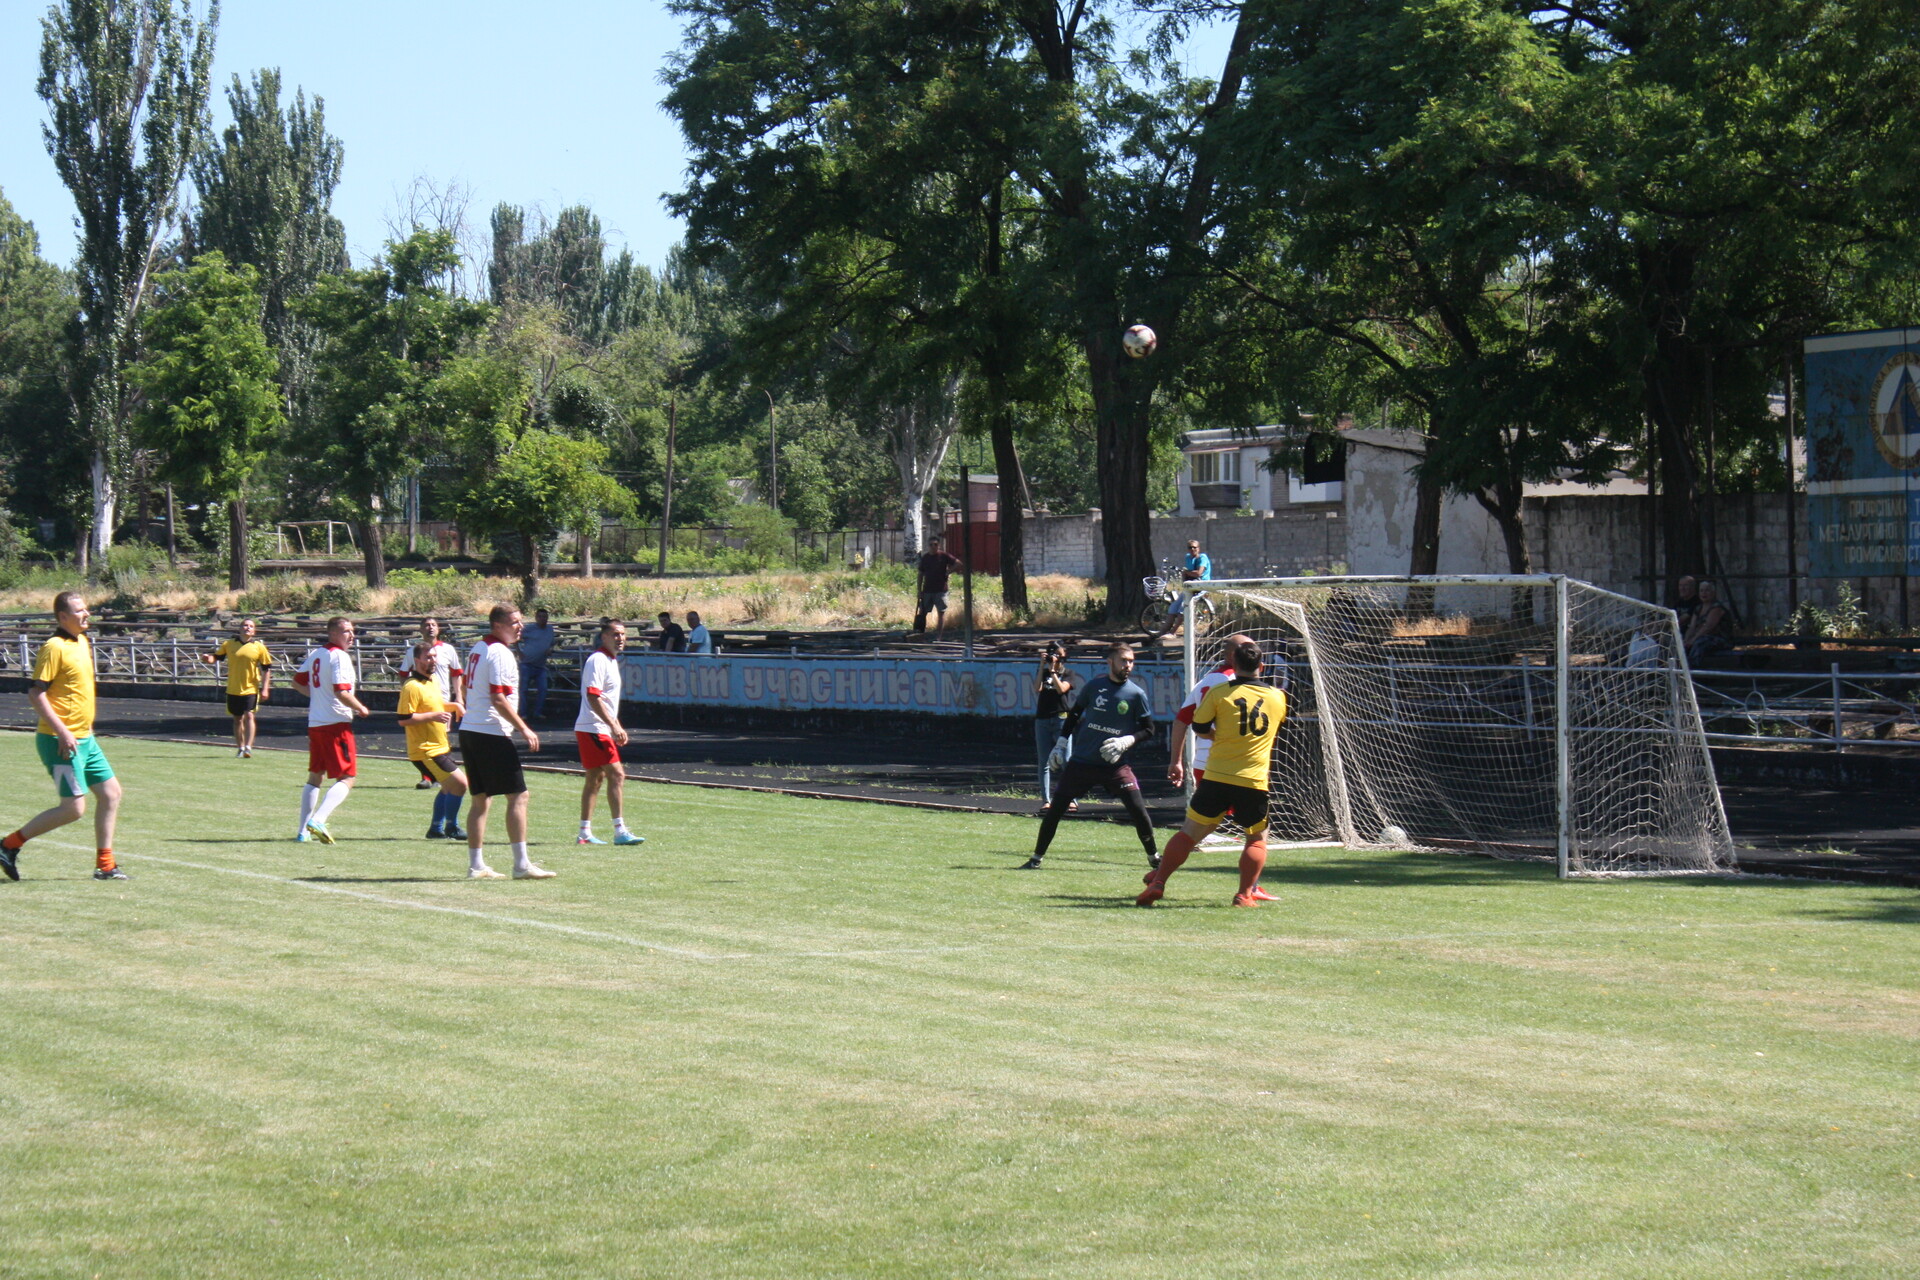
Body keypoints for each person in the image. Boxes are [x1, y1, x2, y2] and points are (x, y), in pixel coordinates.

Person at [1139, 639, 1287, 908]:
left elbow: (1199, 725)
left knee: (1188, 833)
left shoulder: (1218, 692)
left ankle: (1159, 881)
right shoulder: (1278, 698)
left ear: (1235, 664)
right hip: (1252, 779)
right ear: (1262, 667)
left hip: (1216, 776)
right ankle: (1244, 895)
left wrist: (1215, 735)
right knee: (1256, 836)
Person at [0, 591, 125, 882]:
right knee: (73, 809)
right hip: (59, 743)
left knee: (111, 794)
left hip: (85, 741)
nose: (87, 614)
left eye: (87, 609)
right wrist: (62, 732)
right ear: (62, 617)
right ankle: (8, 845)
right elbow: (35, 692)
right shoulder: (53, 647)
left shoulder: (83, 641)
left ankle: (105, 866)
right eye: (80, 610)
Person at [1022, 641, 1159, 871]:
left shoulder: (1136, 694)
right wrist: (1061, 743)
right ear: (1110, 662)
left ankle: (1155, 859)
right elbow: (1074, 714)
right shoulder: (1095, 686)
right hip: (1082, 762)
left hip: (1115, 764)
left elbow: (1149, 729)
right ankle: (1036, 858)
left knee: (1139, 810)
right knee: (1055, 810)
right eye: (1124, 660)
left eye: (1131, 661)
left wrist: (1128, 740)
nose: (1128, 665)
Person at [462, 604, 553, 880]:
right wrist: (524, 728)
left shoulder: (478, 648)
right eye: (514, 622)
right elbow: (498, 698)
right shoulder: (499, 652)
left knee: (480, 800)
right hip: (491, 731)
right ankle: (521, 864)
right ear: (498, 625)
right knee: (518, 795)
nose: (520, 626)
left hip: (470, 730)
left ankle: (476, 866)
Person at [291, 616, 370, 844]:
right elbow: (342, 692)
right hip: (335, 723)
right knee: (348, 777)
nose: (351, 635)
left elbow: (296, 682)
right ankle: (318, 819)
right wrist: (361, 707)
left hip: (316, 723)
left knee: (315, 776)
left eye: (352, 630)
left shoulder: (317, 654)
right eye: (346, 631)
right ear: (333, 634)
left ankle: (302, 832)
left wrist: (316, 696)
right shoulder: (339, 656)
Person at [575, 619, 645, 847]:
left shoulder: (610, 660)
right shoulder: (598, 660)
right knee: (617, 775)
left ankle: (584, 832)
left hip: (596, 727)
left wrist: (614, 724)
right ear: (603, 636)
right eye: (615, 634)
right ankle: (619, 830)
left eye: (623, 634)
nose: (620, 638)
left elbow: (603, 698)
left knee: (595, 779)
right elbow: (593, 696)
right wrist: (613, 726)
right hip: (594, 728)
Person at [396, 643, 470, 842]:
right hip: (425, 750)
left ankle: (436, 829)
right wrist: (433, 716)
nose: (433, 660)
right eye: (428, 657)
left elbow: (433, 706)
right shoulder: (411, 686)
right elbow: (404, 718)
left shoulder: (432, 681)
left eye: (434, 656)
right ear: (417, 660)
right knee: (461, 784)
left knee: (448, 787)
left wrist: (453, 705)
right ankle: (452, 827)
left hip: (440, 746)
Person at [1167, 631, 1255, 790]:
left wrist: (1176, 761)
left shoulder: (1207, 680)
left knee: (1206, 814)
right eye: (1250, 649)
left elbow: (1181, 720)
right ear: (1235, 655)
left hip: (1204, 762)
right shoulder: (1235, 682)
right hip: (1231, 762)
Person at [202, 617, 273, 758]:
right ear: (240, 629)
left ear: (254, 631)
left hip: (250, 688)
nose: (247, 628)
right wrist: (207, 659)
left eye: (251, 626)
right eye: (245, 625)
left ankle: (248, 747)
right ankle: (240, 747)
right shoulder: (229, 644)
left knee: (249, 715)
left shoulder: (259, 647)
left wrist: (265, 688)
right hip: (233, 688)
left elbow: (267, 669)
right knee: (237, 719)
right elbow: (216, 658)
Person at [411, 617, 465, 788]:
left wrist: (459, 697)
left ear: (439, 629)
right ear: (420, 629)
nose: (430, 628)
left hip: (442, 700)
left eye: (433, 625)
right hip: (422, 700)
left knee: (442, 736)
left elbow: (457, 673)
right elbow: (404, 672)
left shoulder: (448, 650)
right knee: (424, 737)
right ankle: (428, 777)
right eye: (426, 625)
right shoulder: (414, 651)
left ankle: (442, 774)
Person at [1032, 641, 1078, 814]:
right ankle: (1046, 800)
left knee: (1066, 760)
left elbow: (1061, 690)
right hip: (1042, 719)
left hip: (1062, 719)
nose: (1054, 658)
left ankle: (1072, 799)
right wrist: (1042, 666)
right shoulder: (1043, 672)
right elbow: (1037, 688)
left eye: (1057, 655)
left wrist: (1053, 672)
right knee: (1044, 762)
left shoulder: (1068, 673)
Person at [913, 536, 963, 639]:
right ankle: (920, 635)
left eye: (935, 544)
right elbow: (920, 574)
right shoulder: (925, 558)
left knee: (941, 613)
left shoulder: (943, 556)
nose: (933, 546)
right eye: (931, 545)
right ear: (928, 546)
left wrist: (949, 571)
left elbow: (958, 563)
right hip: (927, 590)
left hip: (941, 590)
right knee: (923, 613)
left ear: (938, 545)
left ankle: (938, 637)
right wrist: (919, 590)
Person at [1165, 539, 1213, 635]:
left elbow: (1198, 573)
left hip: (1201, 586)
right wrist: (1185, 577)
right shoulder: (1188, 558)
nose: (1192, 549)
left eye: (1194, 547)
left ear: (1198, 548)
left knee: (1183, 607)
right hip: (1190, 586)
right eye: (1190, 547)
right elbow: (1187, 573)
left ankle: (1173, 633)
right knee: (1173, 607)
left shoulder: (1202, 557)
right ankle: (1162, 633)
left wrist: (1186, 572)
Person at [517, 607, 557, 720]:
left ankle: (537, 712)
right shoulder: (529, 629)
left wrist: (550, 648)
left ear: (547, 618)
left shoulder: (550, 629)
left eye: (544, 617)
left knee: (543, 689)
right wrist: (519, 651)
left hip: (541, 665)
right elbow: (516, 638)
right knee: (523, 689)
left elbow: (552, 642)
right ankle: (523, 713)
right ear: (536, 617)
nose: (542, 619)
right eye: (540, 616)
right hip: (526, 663)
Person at [1685, 579, 1732, 669]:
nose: (1704, 593)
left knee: (1700, 642)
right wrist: (1687, 640)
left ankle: (1693, 667)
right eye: (1701, 591)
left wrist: (1693, 640)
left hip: (1719, 639)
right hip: (1700, 637)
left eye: (1707, 590)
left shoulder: (1717, 607)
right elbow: (1692, 627)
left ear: (1713, 592)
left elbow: (1708, 627)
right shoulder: (1698, 608)